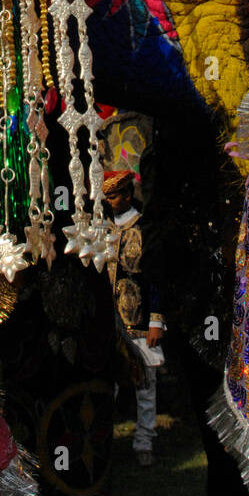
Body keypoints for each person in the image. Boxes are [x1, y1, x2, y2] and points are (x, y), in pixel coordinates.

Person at [104, 170, 165, 467]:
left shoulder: (142, 227)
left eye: (114, 195)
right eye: (107, 197)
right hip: (109, 319)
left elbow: (154, 276)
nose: (110, 201)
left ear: (128, 195)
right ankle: (103, 441)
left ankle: (144, 441)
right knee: (108, 383)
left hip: (139, 318)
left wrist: (156, 320)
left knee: (146, 384)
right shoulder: (100, 229)